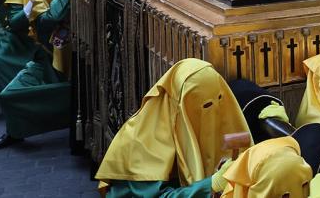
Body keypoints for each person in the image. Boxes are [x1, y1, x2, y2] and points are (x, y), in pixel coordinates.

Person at [94, 59, 253, 197]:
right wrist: (211, 184)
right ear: (179, 106)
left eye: (219, 99)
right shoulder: (140, 144)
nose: (213, 111)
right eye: (205, 105)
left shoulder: (210, 118)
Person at [0, 0, 72, 151]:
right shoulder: (39, 5)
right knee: (8, 94)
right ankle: (14, 131)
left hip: (67, 67)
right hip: (42, 60)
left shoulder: (72, 7)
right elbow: (46, 19)